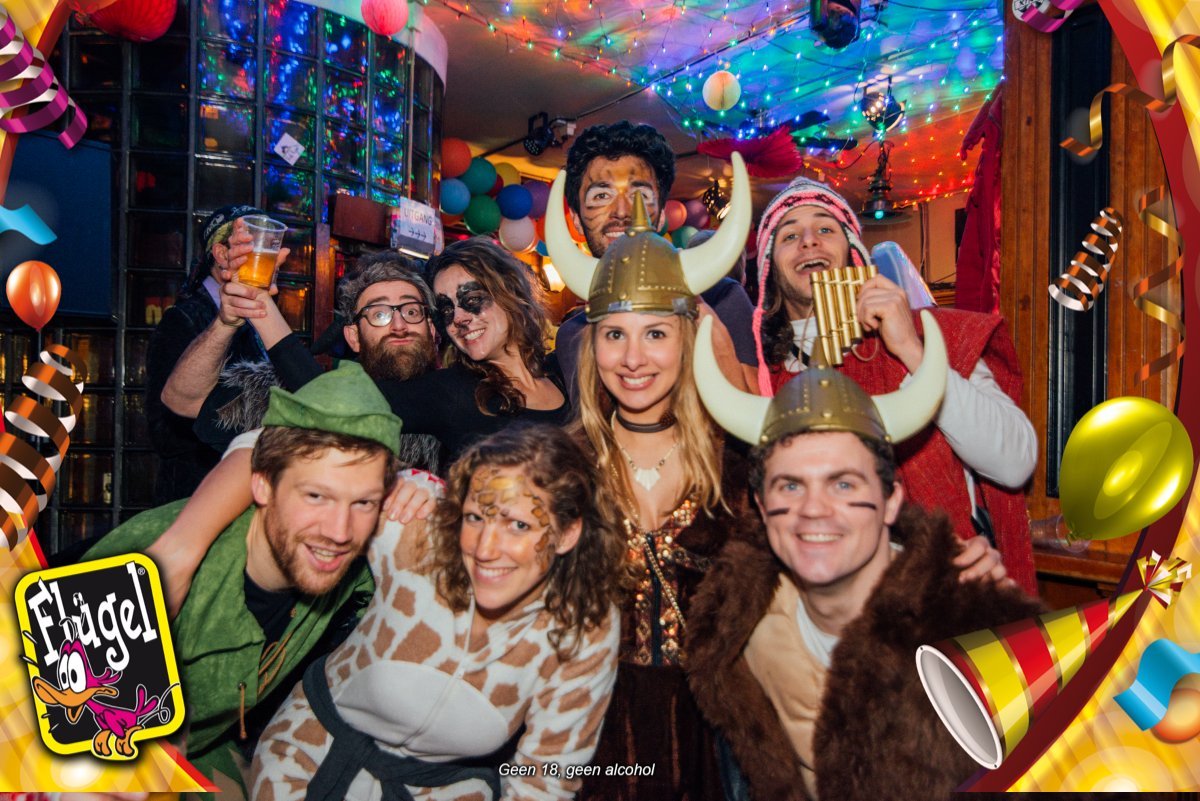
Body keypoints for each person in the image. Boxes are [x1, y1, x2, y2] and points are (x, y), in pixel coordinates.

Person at [685, 314, 1044, 801]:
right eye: (790, 486)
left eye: (843, 484)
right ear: (762, 508)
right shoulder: (738, 629)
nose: (814, 509)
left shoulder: (984, 642)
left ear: (892, 501)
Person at [250, 425, 625, 801]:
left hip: (441, 788)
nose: (485, 549)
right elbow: (283, 456)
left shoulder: (585, 625)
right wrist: (402, 485)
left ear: (567, 534)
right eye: (475, 517)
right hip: (311, 751)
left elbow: (547, 778)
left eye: (518, 525)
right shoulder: (418, 534)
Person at [85, 361, 402, 794]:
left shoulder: (348, 564)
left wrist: (420, 493)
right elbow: (68, 743)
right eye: (315, 496)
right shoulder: (142, 564)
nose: (339, 531)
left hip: (204, 752)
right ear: (263, 486)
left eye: (363, 503)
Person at [546, 151, 755, 801]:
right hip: (592, 743)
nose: (633, 358)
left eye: (656, 334)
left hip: (718, 748)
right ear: (593, 345)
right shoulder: (560, 468)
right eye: (614, 335)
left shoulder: (736, 468)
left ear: (687, 339)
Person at [751, 176, 1039, 593]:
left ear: (853, 252)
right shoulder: (761, 380)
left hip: (946, 597)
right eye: (789, 235)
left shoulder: (932, 335)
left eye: (825, 228)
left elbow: (1014, 462)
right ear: (768, 269)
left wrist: (911, 350)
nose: (809, 241)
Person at [228, 236, 569, 471]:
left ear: (511, 293)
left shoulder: (565, 372)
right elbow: (324, 398)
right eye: (446, 309)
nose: (460, 318)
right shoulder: (452, 392)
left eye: (472, 298)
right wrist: (261, 306)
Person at [553, 121, 759, 401]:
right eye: (601, 195)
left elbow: (752, 414)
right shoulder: (571, 336)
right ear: (576, 219)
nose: (623, 211)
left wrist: (698, 315)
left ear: (661, 216)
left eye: (640, 195)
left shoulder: (722, 299)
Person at [212, 251, 443, 473]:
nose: (399, 325)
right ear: (353, 337)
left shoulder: (456, 395)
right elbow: (190, 400)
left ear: (432, 330)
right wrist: (228, 320)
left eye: (411, 312)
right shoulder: (274, 391)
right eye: (379, 315)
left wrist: (262, 305)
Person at [146, 205, 289, 505]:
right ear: (222, 254)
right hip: (195, 496)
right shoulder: (183, 319)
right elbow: (164, 431)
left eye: (269, 243)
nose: (267, 253)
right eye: (252, 244)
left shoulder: (261, 315)